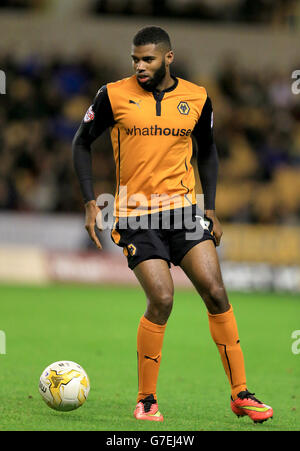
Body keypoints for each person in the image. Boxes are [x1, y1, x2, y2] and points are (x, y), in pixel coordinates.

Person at [72, 26, 273, 424]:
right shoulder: (113, 95)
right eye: (135, 59)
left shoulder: (197, 97)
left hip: (182, 210)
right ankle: (146, 399)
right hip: (135, 215)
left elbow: (209, 151)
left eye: (147, 59)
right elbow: (81, 141)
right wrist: (89, 201)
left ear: (168, 58)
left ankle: (241, 394)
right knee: (162, 298)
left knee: (216, 292)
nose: (139, 66)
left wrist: (211, 208)